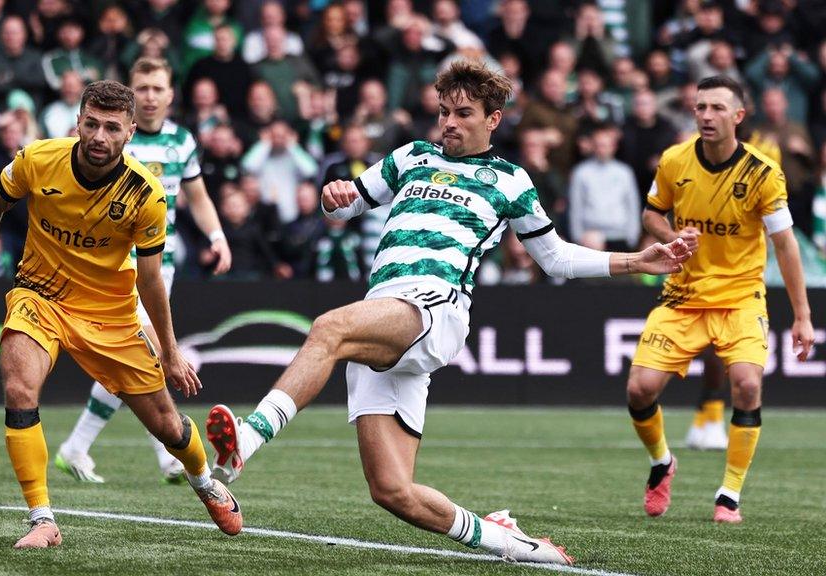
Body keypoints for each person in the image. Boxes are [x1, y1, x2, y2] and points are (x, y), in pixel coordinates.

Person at [204, 60, 691, 565]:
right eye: (443, 112)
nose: (449, 122)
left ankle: (246, 439)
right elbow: (343, 208)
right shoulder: (411, 155)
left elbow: (556, 257)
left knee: (329, 327)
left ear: (493, 120)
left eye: (463, 113)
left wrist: (635, 260)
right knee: (392, 491)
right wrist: (334, 196)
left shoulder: (510, 180)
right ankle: (515, 543)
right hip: (385, 314)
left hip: (434, 310)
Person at [0, 80, 241, 549]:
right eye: (91, 124)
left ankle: (205, 481)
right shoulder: (37, 159)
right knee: (19, 387)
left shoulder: (146, 194)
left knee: (167, 425)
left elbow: (150, 280)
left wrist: (169, 351)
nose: (99, 136)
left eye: (111, 127)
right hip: (39, 295)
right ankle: (42, 520)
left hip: (111, 315)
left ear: (129, 134)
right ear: (77, 123)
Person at [627, 75, 815, 524]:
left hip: (740, 298)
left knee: (748, 385)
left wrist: (802, 316)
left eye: (716, 108)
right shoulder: (675, 160)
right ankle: (662, 463)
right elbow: (651, 213)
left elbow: (786, 245)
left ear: (738, 116)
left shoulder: (763, 173)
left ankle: (729, 494)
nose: (706, 116)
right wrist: (672, 238)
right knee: (639, 390)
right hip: (683, 295)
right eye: (700, 107)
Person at [55, 58, 232, 485]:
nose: (150, 96)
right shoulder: (108, 138)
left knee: (131, 363)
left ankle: (77, 448)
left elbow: (199, 196)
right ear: (131, 98)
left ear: (171, 95)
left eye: (158, 88)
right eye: (143, 89)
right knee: (149, 356)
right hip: (116, 266)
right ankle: (170, 453)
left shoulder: (183, 142)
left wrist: (217, 235)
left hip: (159, 268)